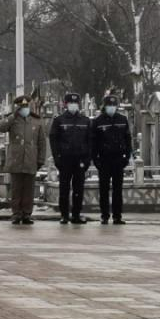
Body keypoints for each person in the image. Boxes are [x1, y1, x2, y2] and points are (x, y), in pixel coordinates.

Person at [0, 95, 46, 225]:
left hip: (31, 159)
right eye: (22, 106)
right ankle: (16, 213)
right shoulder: (13, 119)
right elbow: (0, 127)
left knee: (29, 190)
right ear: (18, 107)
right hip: (16, 159)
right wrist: (13, 115)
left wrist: (41, 159)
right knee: (16, 189)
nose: (24, 108)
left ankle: (26, 214)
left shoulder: (36, 121)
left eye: (26, 106)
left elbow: (42, 142)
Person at [49, 93, 92, 224]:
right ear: (66, 104)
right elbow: (53, 140)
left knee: (78, 189)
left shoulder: (85, 121)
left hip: (80, 160)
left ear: (79, 105)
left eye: (75, 103)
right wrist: (57, 158)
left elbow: (90, 141)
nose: (73, 105)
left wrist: (87, 160)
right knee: (64, 189)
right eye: (70, 103)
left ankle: (76, 215)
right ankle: (64, 215)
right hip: (65, 159)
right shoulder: (59, 120)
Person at [92, 94, 132, 225]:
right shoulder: (98, 121)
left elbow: (128, 139)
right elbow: (94, 142)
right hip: (104, 159)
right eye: (109, 105)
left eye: (114, 105)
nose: (112, 107)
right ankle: (104, 215)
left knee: (117, 190)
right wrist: (96, 159)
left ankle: (117, 216)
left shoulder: (122, 119)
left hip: (118, 159)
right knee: (104, 189)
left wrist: (127, 156)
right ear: (105, 106)